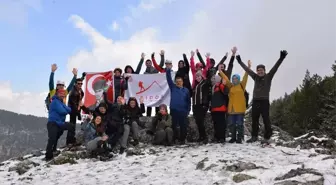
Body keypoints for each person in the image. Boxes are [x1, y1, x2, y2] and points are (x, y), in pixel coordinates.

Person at [236, 50, 288, 143]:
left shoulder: (269, 76)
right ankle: (254, 136)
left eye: (261, 70)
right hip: (255, 101)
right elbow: (247, 70)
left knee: (266, 119)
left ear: (264, 70)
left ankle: (267, 137)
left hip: (264, 101)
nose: (260, 71)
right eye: (258, 70)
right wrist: (240, 61)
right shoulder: (255, 77)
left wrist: (281, 58)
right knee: (254, 120)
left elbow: (275, 68)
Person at [218, 60, 250, 143]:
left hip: (239, 109)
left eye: (236, 78)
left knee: (239, 124)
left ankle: (240, 138)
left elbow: (245, 77)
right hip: (231, 109)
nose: (234, 80)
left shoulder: (242, 85)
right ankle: (233, 137)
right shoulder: (231, 86)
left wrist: (248, 67)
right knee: (231, 124)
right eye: (233, 78)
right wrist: (220, 71)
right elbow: (225, 78)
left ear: (238, 80)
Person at [45, 89, 73, 160]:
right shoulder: (54, 102)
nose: (62, 95)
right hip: (53, 123)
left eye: (63, 94)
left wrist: (64, 108)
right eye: (61, 94)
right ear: (57, 94)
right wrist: (65, 108)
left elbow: (70, 110)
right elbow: (63, 111)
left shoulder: (61, 102)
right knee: (52, 139)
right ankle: (48, 155)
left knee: (71, 127)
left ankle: (70, 143)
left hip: (60, 123)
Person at [166, 68, 191, 144]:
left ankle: (182, 140)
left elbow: (188, 101)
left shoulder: (186, 90)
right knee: (174, 126)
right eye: (177, 82)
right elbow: (168, 79)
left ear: (182, 82)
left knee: (183, 126)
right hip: (174, 110)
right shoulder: (173, 88)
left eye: (180, 81)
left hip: (183, 111)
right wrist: (168, 70)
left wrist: (188, 110)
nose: (178, 83)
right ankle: (174, 139)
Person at [143, 52, 163, 116]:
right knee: (149, 104)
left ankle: (158, 117)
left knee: (157, 104)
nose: (148, 64)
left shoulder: (155, 70)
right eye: (147, 63)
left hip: (156, 90)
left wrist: (162, 56)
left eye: (149, 63)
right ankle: (148, 117)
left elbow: (161, 64)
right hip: (149, 91)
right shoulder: (144, 73)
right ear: (145, 64)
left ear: (151, 63)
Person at [192, 71, 209, 144]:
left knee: (201, 121)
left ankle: (205, 137)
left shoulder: (204, 84)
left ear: (201, 76)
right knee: (198, 122)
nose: (198, 78)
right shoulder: (196, 85)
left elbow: (206, 94)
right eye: (196, 77)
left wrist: (205, 104)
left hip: (202, 105)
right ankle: (201, 136)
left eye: (199, 76)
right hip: (196, 105)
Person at [210, 75, 229, 143]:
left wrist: (223, 84)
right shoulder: (213, 87)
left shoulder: (220, 85)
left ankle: (222, 138)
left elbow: (225, 93)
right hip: (214, 108)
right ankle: (217, 137)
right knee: (216, 124)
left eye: (214, 79)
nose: (212, 80)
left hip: (221, 108)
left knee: (221, 124)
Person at [67, 78, 85, 146]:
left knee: (73, 125)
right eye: (78, 83)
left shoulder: (79, 90)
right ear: (75, 84)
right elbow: (74, 104)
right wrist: (78, 114)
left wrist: (83, 76)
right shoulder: (73, 92)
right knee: (72, 125)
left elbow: (79, 101)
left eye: (81, 83)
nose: (80, 85)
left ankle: (71, 140)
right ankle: (70, 141)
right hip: (72, 110)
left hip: (76, 109)